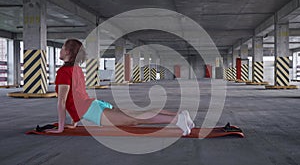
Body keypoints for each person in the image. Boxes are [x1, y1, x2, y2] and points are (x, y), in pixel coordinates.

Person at [46, 39, 195, 136]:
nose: (60, 51)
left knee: (135, 119)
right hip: (94, 105)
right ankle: (181, 116)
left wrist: (60, 127)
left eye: (62, 48)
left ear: (68, 52)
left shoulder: (64, 72)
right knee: (136, 115)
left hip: (92, 110)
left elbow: (62, 102)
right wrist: (75, 121)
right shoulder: (76, 69)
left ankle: (177, 119)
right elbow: (77, 95)